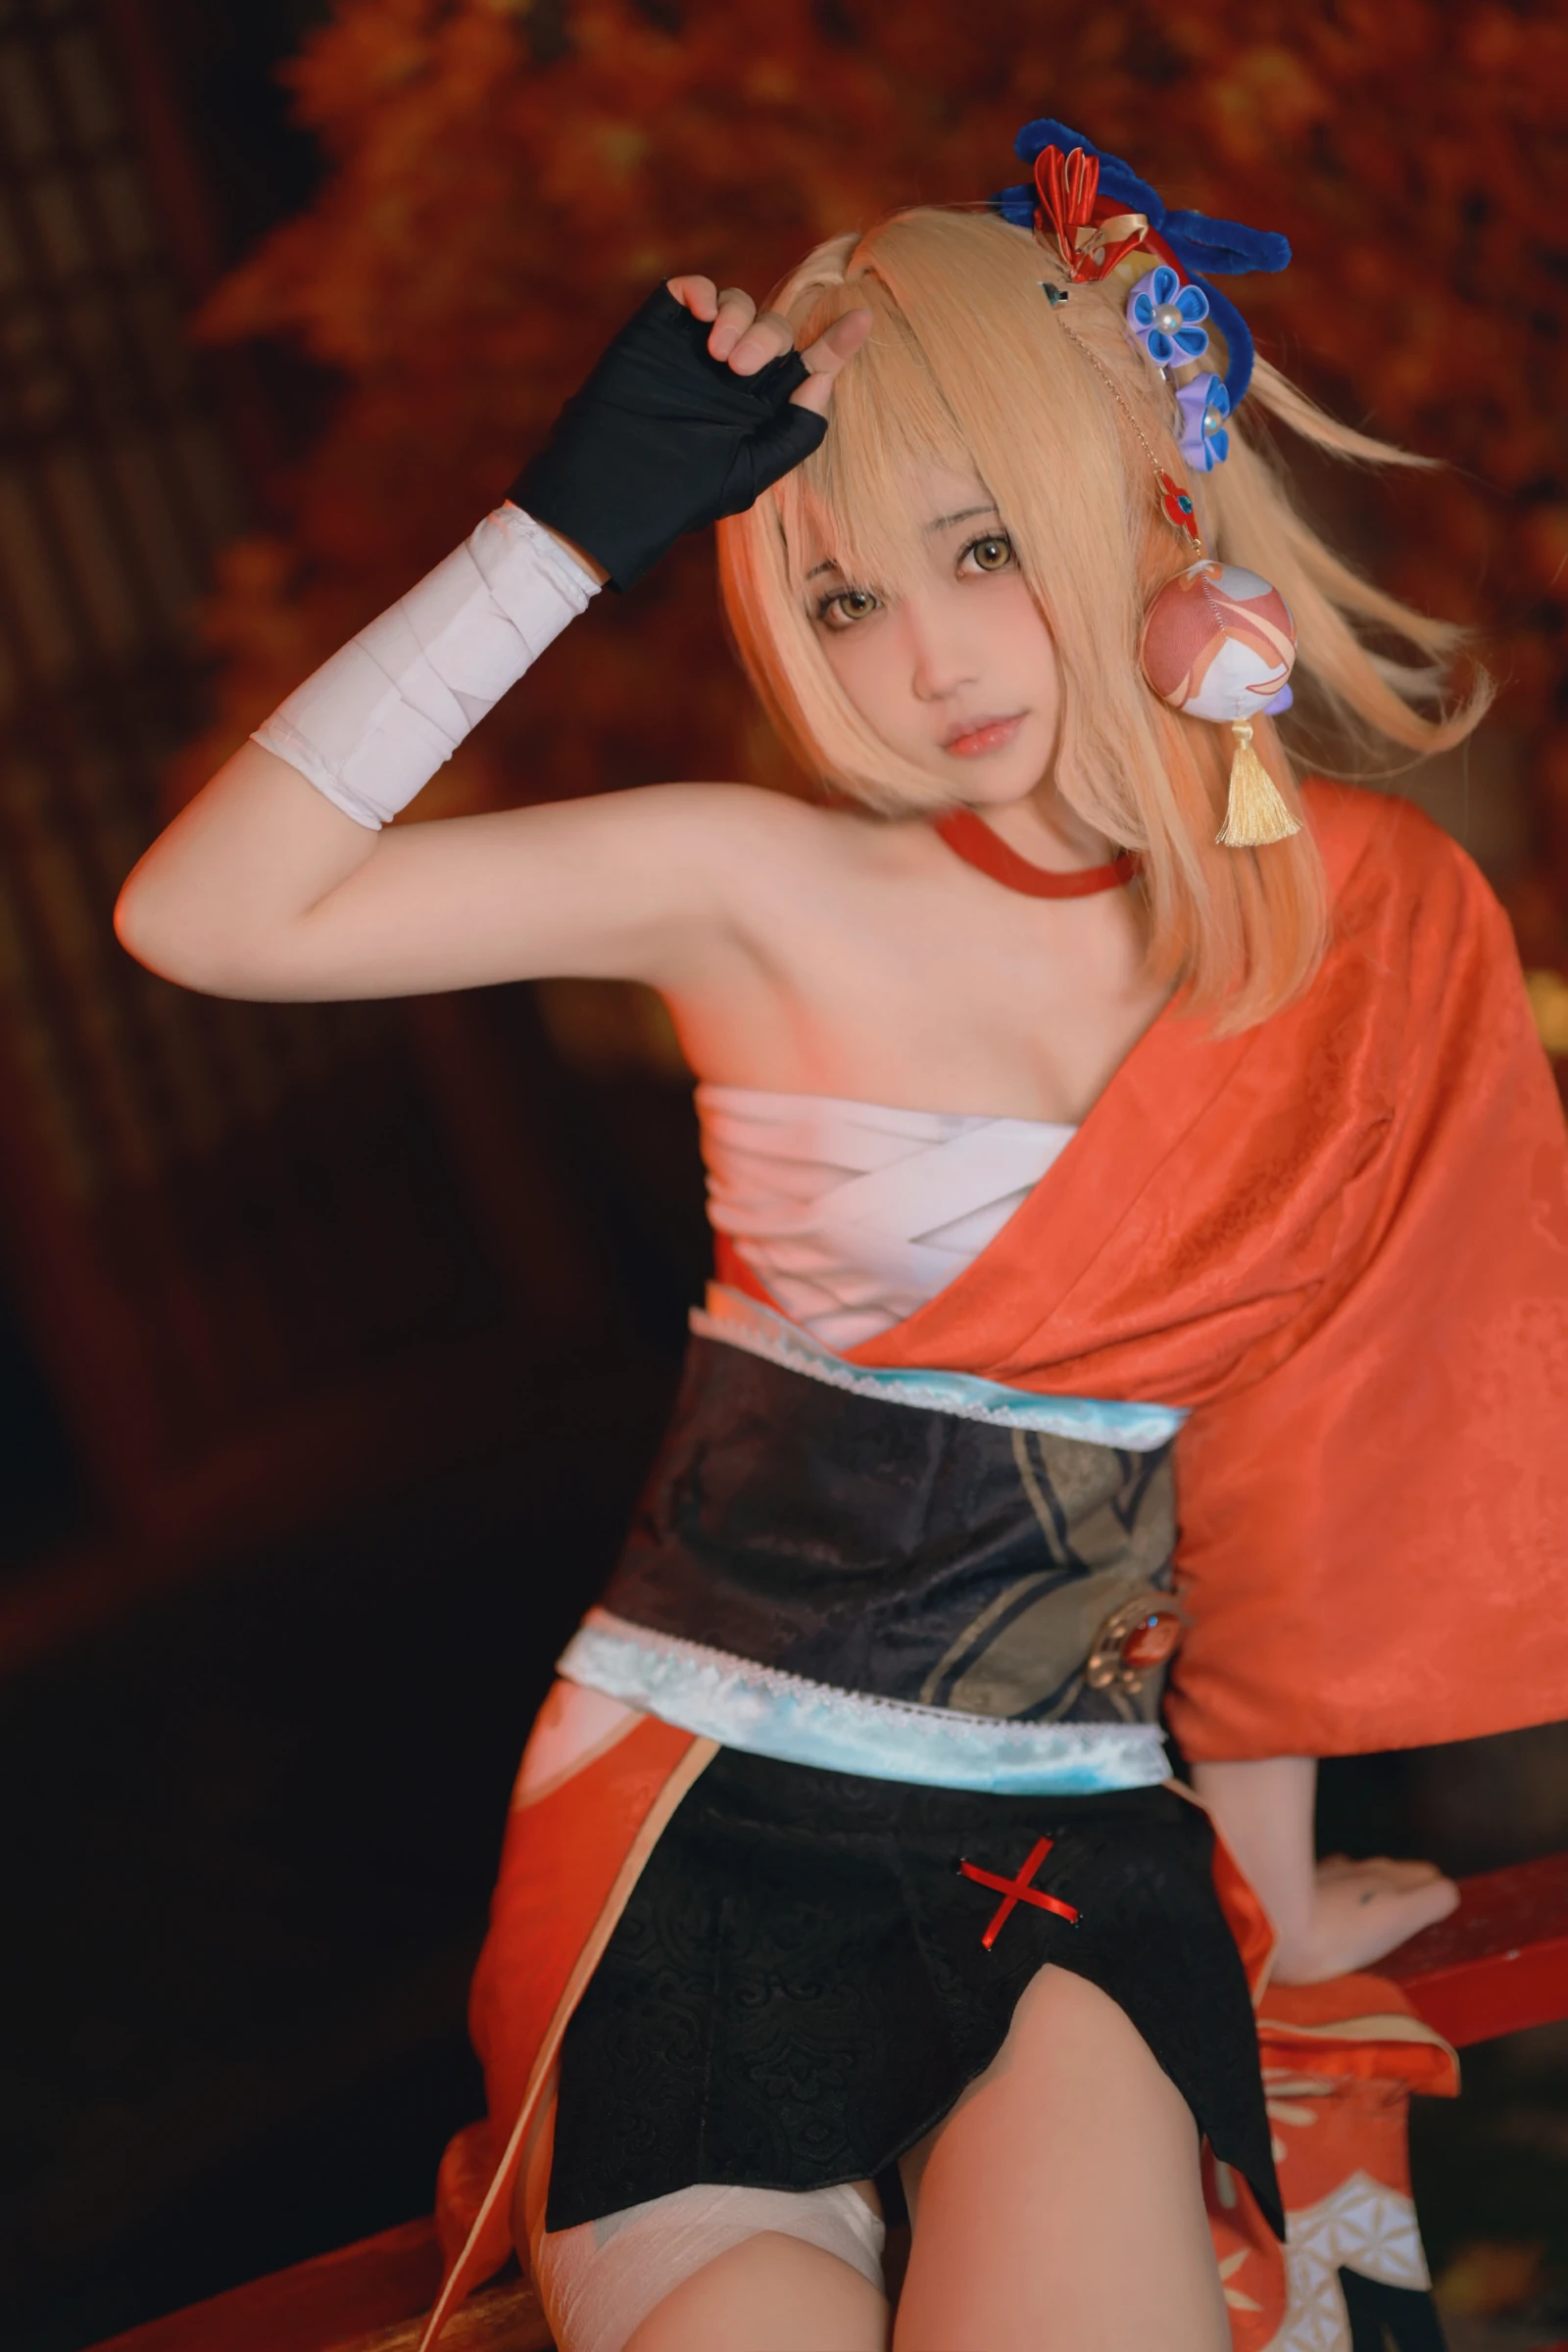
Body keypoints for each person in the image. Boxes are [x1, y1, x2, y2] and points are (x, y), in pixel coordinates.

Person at [114, 120, 1568, 2352]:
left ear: (1136, 499)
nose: (926, 662)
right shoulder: (759, 883)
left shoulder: (1358, 923)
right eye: (840, 599)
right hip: (699, 1797)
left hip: (1069, 1822)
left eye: (982, 547)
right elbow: (202, 919)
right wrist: (559, 531)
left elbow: (1306, 1461)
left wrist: (1266, 1907)